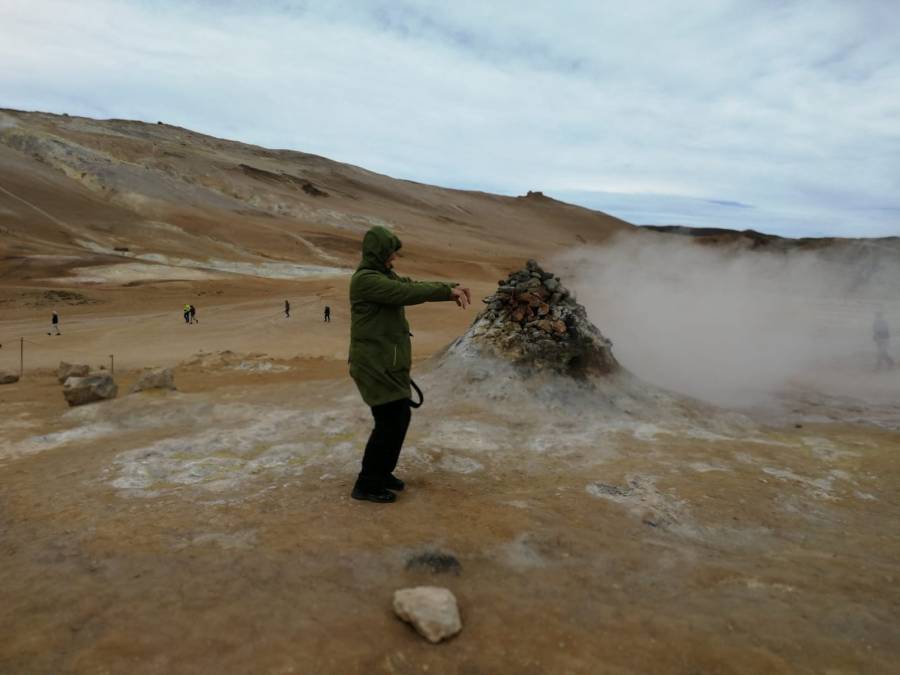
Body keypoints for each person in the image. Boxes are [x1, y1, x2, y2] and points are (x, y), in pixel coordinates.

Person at [348, 225, 470, 503]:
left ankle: (381, 473)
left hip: (387, 364)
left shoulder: (383, 275)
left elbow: (409, 285)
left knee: (398, 418)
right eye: (391, 253)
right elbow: (404, 294)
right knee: (390, 421)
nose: (394, 258)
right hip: (374, 364)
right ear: (379, 253)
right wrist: (445, 293)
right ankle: (367, 484)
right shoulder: (367, 280)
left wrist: (448, 287)